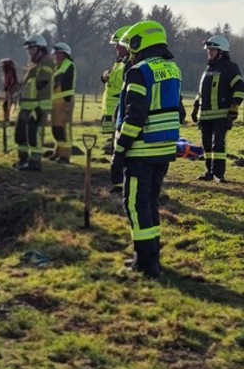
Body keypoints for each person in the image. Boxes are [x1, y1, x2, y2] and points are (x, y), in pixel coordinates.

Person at [114, 20, 182, 278]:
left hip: (140, 151)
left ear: (138, 42)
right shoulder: (172, 69)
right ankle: (151, 258)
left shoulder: (139, 71)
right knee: (150, 203)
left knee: (134, 204)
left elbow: (135, 115)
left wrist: (119, 151)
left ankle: (145, 263)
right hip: (164, 150)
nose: (129, 52)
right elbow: (178, 109)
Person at [191, 35, 244, 183]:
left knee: (218, 144)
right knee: (207, 145)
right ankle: (209, 171)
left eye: (212, 50)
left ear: (221, 52)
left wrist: (234, 106)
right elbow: (202, 91)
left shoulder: (230, 68)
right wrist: (196, 108)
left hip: (222, 115)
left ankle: (218, 174)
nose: (209, 53)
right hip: (205, 116)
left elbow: (239, 87)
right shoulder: (208, 69)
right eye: (208, 50)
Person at [15, 34, 54, 171]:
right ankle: (23, 159)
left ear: (40, 48)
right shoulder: (32, 64)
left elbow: (42, 81)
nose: (29, 51)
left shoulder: (47, 61)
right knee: (20, 133)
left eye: (31, 48)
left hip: (39, 105)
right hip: (26, 105)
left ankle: (35, 162)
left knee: (35, 133)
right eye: (28, 49)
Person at [103, 26, 131, 192]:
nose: (115, 48)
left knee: (120, 147)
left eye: (118, 45)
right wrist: (104, 76)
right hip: (113, 109)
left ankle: (119, 182)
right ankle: (118, 180)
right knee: (115, 146)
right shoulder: (119, 62)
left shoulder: (129, 64)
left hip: (121, 110)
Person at [50, 41, 77, 164]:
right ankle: (58, 152)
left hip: (65, 103)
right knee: (56, 128)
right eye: (55, 54)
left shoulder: (67, 64)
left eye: (59, 54)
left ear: (65, 54)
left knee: (63, 129)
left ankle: (65, 156)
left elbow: (57, 78)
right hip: (56, 103)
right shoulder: (58, 66)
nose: (56, 56)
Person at [0, 58, 20, 124]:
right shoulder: (7, 73)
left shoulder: (10, 72)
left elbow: (12, 82)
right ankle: (6, 118)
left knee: (7, 105)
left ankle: (7, 119)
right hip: (9, 92)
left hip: (12, 92)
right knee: (6, 105)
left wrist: (8, 89)